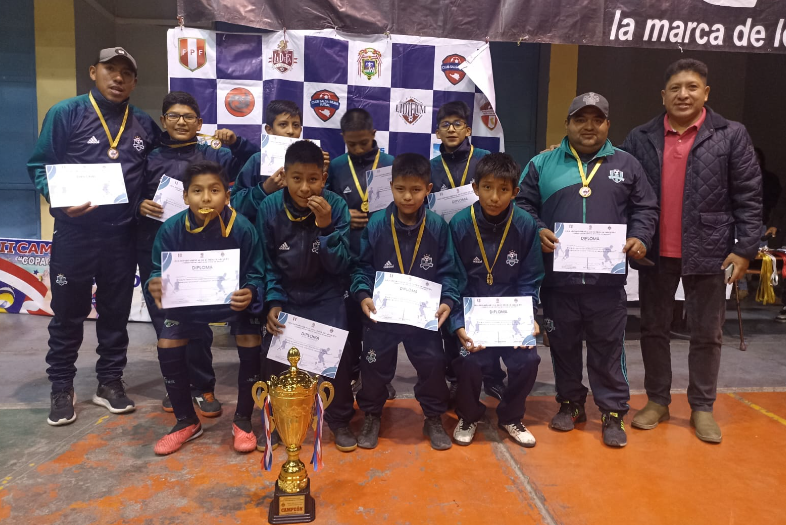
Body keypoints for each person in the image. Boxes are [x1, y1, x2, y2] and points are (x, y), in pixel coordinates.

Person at [621, 59, 762, 443]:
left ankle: (702, 407)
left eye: (692, 87)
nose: (684, 94)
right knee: (653, 330)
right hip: (654, 252)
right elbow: (619, 182)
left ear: (706, 93)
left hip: (712, 250)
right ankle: (658, 400)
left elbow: (749, 197)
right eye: (676, 88)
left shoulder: (731, 135)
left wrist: (745, 248)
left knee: (707, 333)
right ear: (663, 95)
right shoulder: (640, 137)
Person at [27, 47, 160, 426]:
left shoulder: (144, 124)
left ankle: (109, 382)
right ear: (93, 72)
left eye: (126, 73)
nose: (117, 78)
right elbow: (40, 165)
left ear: (135, 81)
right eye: (110, 70)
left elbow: (152, 173)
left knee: (115, 314)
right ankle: (61, 386)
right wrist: (58, 199)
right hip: (75, 234)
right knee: (68, 315)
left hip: (121, 237)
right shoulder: (65, 113)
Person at [518, 92, 658, 448]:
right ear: (568, 124)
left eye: (597, 119)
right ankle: (570, 404)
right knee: (563, 346)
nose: (589, 126)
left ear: (608, 125)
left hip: (606, 282)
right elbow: (522, 204)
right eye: (581, 119)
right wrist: (536, 229)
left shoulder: (627, 165)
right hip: (557, 280)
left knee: (608, 348)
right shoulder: (542, 163)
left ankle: (612, 412)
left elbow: (646, 208)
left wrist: (640, 237)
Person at [138, 91, 257, 418]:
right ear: (163, 121)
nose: (180, 122)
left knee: (201, 325)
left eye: (188, 116)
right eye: (173, 116)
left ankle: (203, 386)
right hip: (166, 245)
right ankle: (177, 385)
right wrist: (139, 205)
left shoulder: (214, 153)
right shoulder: (149, 156)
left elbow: (252, 168)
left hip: (211, 250)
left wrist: (237, 143)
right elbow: (133, 192)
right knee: (169, 322)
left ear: (199, 122)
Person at [146, 161, 265, 455]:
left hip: (234, 303)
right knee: (167, 341)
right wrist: (155, 282)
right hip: (189, 303)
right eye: (197, 191)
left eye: (214, 190)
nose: (205, 198)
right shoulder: (171, 229)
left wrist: (250, 291)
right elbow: (155, 270)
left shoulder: (243, 228)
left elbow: (257, 272)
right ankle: (186, 421)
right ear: (185, 197)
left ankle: (243, 420)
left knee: (251, 337)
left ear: (227, 195)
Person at [351, 153, 464, 451]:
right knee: (373, 366)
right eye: (401, 189)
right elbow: (361, 266)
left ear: (428, 189)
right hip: (382, 315)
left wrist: (448, 301)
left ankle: (433, 416)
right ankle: (372, 414)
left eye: (415, 190)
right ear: (390, 187)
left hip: (423, 316)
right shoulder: (377, 224)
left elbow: (450, 270)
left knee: (433, 365)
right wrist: (363, 295)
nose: (408, 196)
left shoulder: (438, 226)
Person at [256, 140, 357, 452]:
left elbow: (341, 266)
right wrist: (273, 301)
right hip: (285, 293)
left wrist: (325, 229)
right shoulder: (269, 207)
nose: (304, 187)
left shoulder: (336, 207)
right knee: (274, 357)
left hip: (326, 293)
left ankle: (339, 420)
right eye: (296, 178)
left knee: (338, 357)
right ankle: (276, 421)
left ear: (323, 179)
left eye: (312, 179)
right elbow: (266, 262)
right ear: (284, 176)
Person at [448, 153, 544, 447]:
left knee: (529, 359)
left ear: (515, 192)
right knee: (468, 362)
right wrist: (458, 323)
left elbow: (530, 277)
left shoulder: (526, 224)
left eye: (503, 190)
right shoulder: (460, 223)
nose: (494, 197)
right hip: (472, 314)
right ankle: (469, 414)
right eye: (487, 188)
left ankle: (511, 416)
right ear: (475, 188)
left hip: (510, 315)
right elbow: (452, 277)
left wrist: (528, 319)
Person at [429, 100, 504, 400]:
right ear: (437, 132)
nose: (451, 129)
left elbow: (503, 187)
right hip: (445, 245)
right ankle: (455, 372)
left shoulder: (485, 158)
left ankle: (494, 373)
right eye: (445, 125)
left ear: (468, 129)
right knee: (451, 305)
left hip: (485, 243)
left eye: (457, 123)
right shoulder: (431, 166)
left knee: (486, 304)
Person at [326, 108, 396, 399]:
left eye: (362, 143)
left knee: (382, 323)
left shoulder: (391, 164)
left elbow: (406, 204)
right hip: (347, 254)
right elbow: (323, 203)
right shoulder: (335, 166)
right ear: (343, 138)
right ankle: (353, 370)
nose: (356, 149)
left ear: (374, 135)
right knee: (352, 320)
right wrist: (343, 215)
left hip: (383, 256)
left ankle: (383, 377)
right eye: (351, 144)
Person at [231, 100, 330, 221]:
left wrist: (321, 172)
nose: (291, 131)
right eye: (283, 125)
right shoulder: (257, 160)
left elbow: (326, 202)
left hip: (304, 230)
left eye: (296, 125)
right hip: (264, 230)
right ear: (269, 130)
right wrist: (264, 189)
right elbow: (235, 203)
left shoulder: (312, 161)